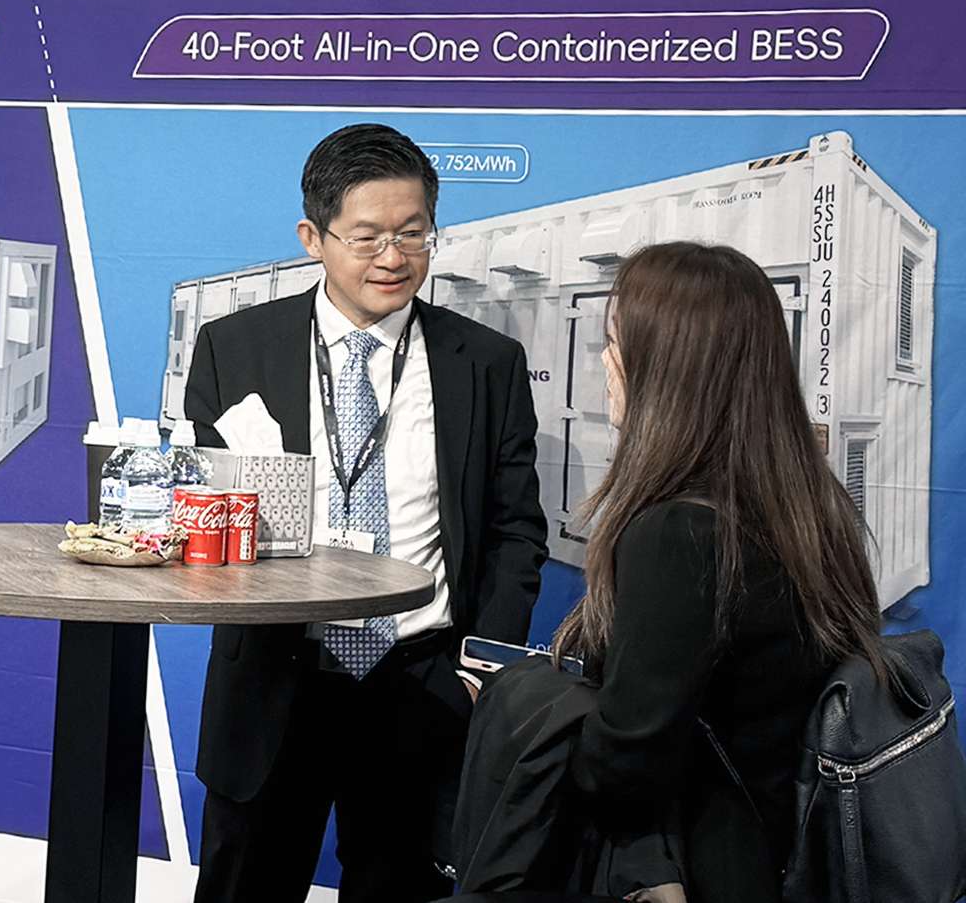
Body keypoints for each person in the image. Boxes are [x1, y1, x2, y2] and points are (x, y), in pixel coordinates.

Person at [183, 122, 550, 903]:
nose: (394, 256)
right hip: (277, 678)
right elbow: (207, 512)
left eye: (414, 233)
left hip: (419, 683)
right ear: (313, 238)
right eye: (368, 236)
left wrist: (477, 676)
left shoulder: (486, 363)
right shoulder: (233, 348)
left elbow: (516, 532)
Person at [549, 241, 886, 903]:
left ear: (666, 369)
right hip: (786, 864)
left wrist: (534, 715)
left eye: (615, 343)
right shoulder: (812, 507)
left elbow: (622, 770)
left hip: (699, 872)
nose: (606, 364)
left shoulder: (678, 534)